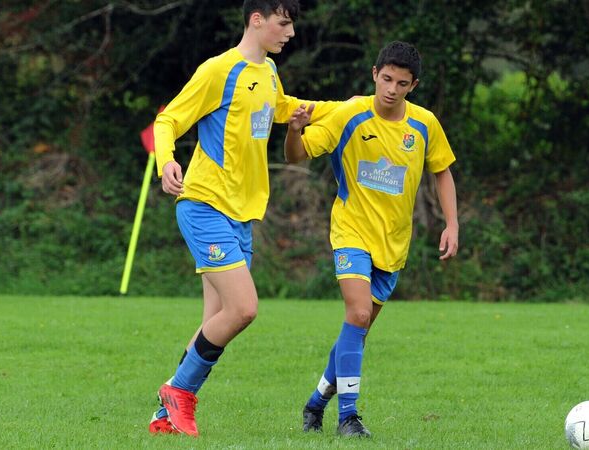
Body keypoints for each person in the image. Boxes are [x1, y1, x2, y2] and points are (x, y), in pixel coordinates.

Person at [149, 0, 339, 437]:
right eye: (283, 23)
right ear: (257, 20)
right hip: (205, 204)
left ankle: (165, 416)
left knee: (214, 319)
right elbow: (169, 120)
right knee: (243, 308)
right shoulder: (218, 70)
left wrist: (341, 108)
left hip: (241, 215)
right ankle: (179, 394)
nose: (289, 33)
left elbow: (282, 107)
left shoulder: (268, 72)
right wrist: (166, 163)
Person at [284, 40, 459, 437]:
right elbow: (297, 155)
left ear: (413, 86)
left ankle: (314, 405)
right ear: (374, 74)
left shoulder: (424, 124)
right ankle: (349, 417)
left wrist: (452, 223)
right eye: (386, 79)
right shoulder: (350, 114)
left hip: (394, 244)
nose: (392, 89)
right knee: (359, 314)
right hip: (351, 232)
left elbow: (443, 171)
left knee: (356, 328)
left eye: (402, 83)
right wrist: (295, 131)